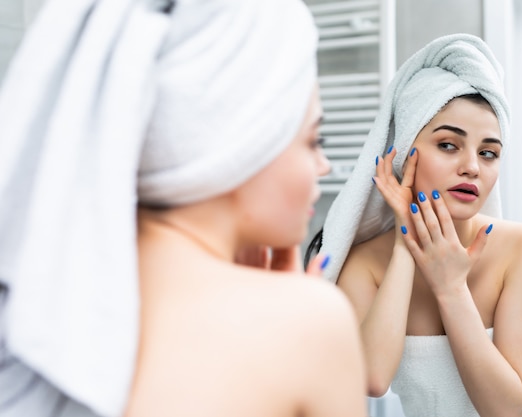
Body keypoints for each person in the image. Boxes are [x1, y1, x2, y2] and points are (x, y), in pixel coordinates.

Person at [0, 1, 367, 416]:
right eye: (313, 141)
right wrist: (293, 305)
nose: (324, 165)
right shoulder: (311, 322)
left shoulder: (47, 299)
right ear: (242, 143)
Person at [307, 34, 522, 417]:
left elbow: (508, 409)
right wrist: (404, 247)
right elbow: (373, 377)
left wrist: (451, 287)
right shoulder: (366, 265)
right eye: (448, 144)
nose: (472, 167)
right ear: (403, 153)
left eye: (488, 152)